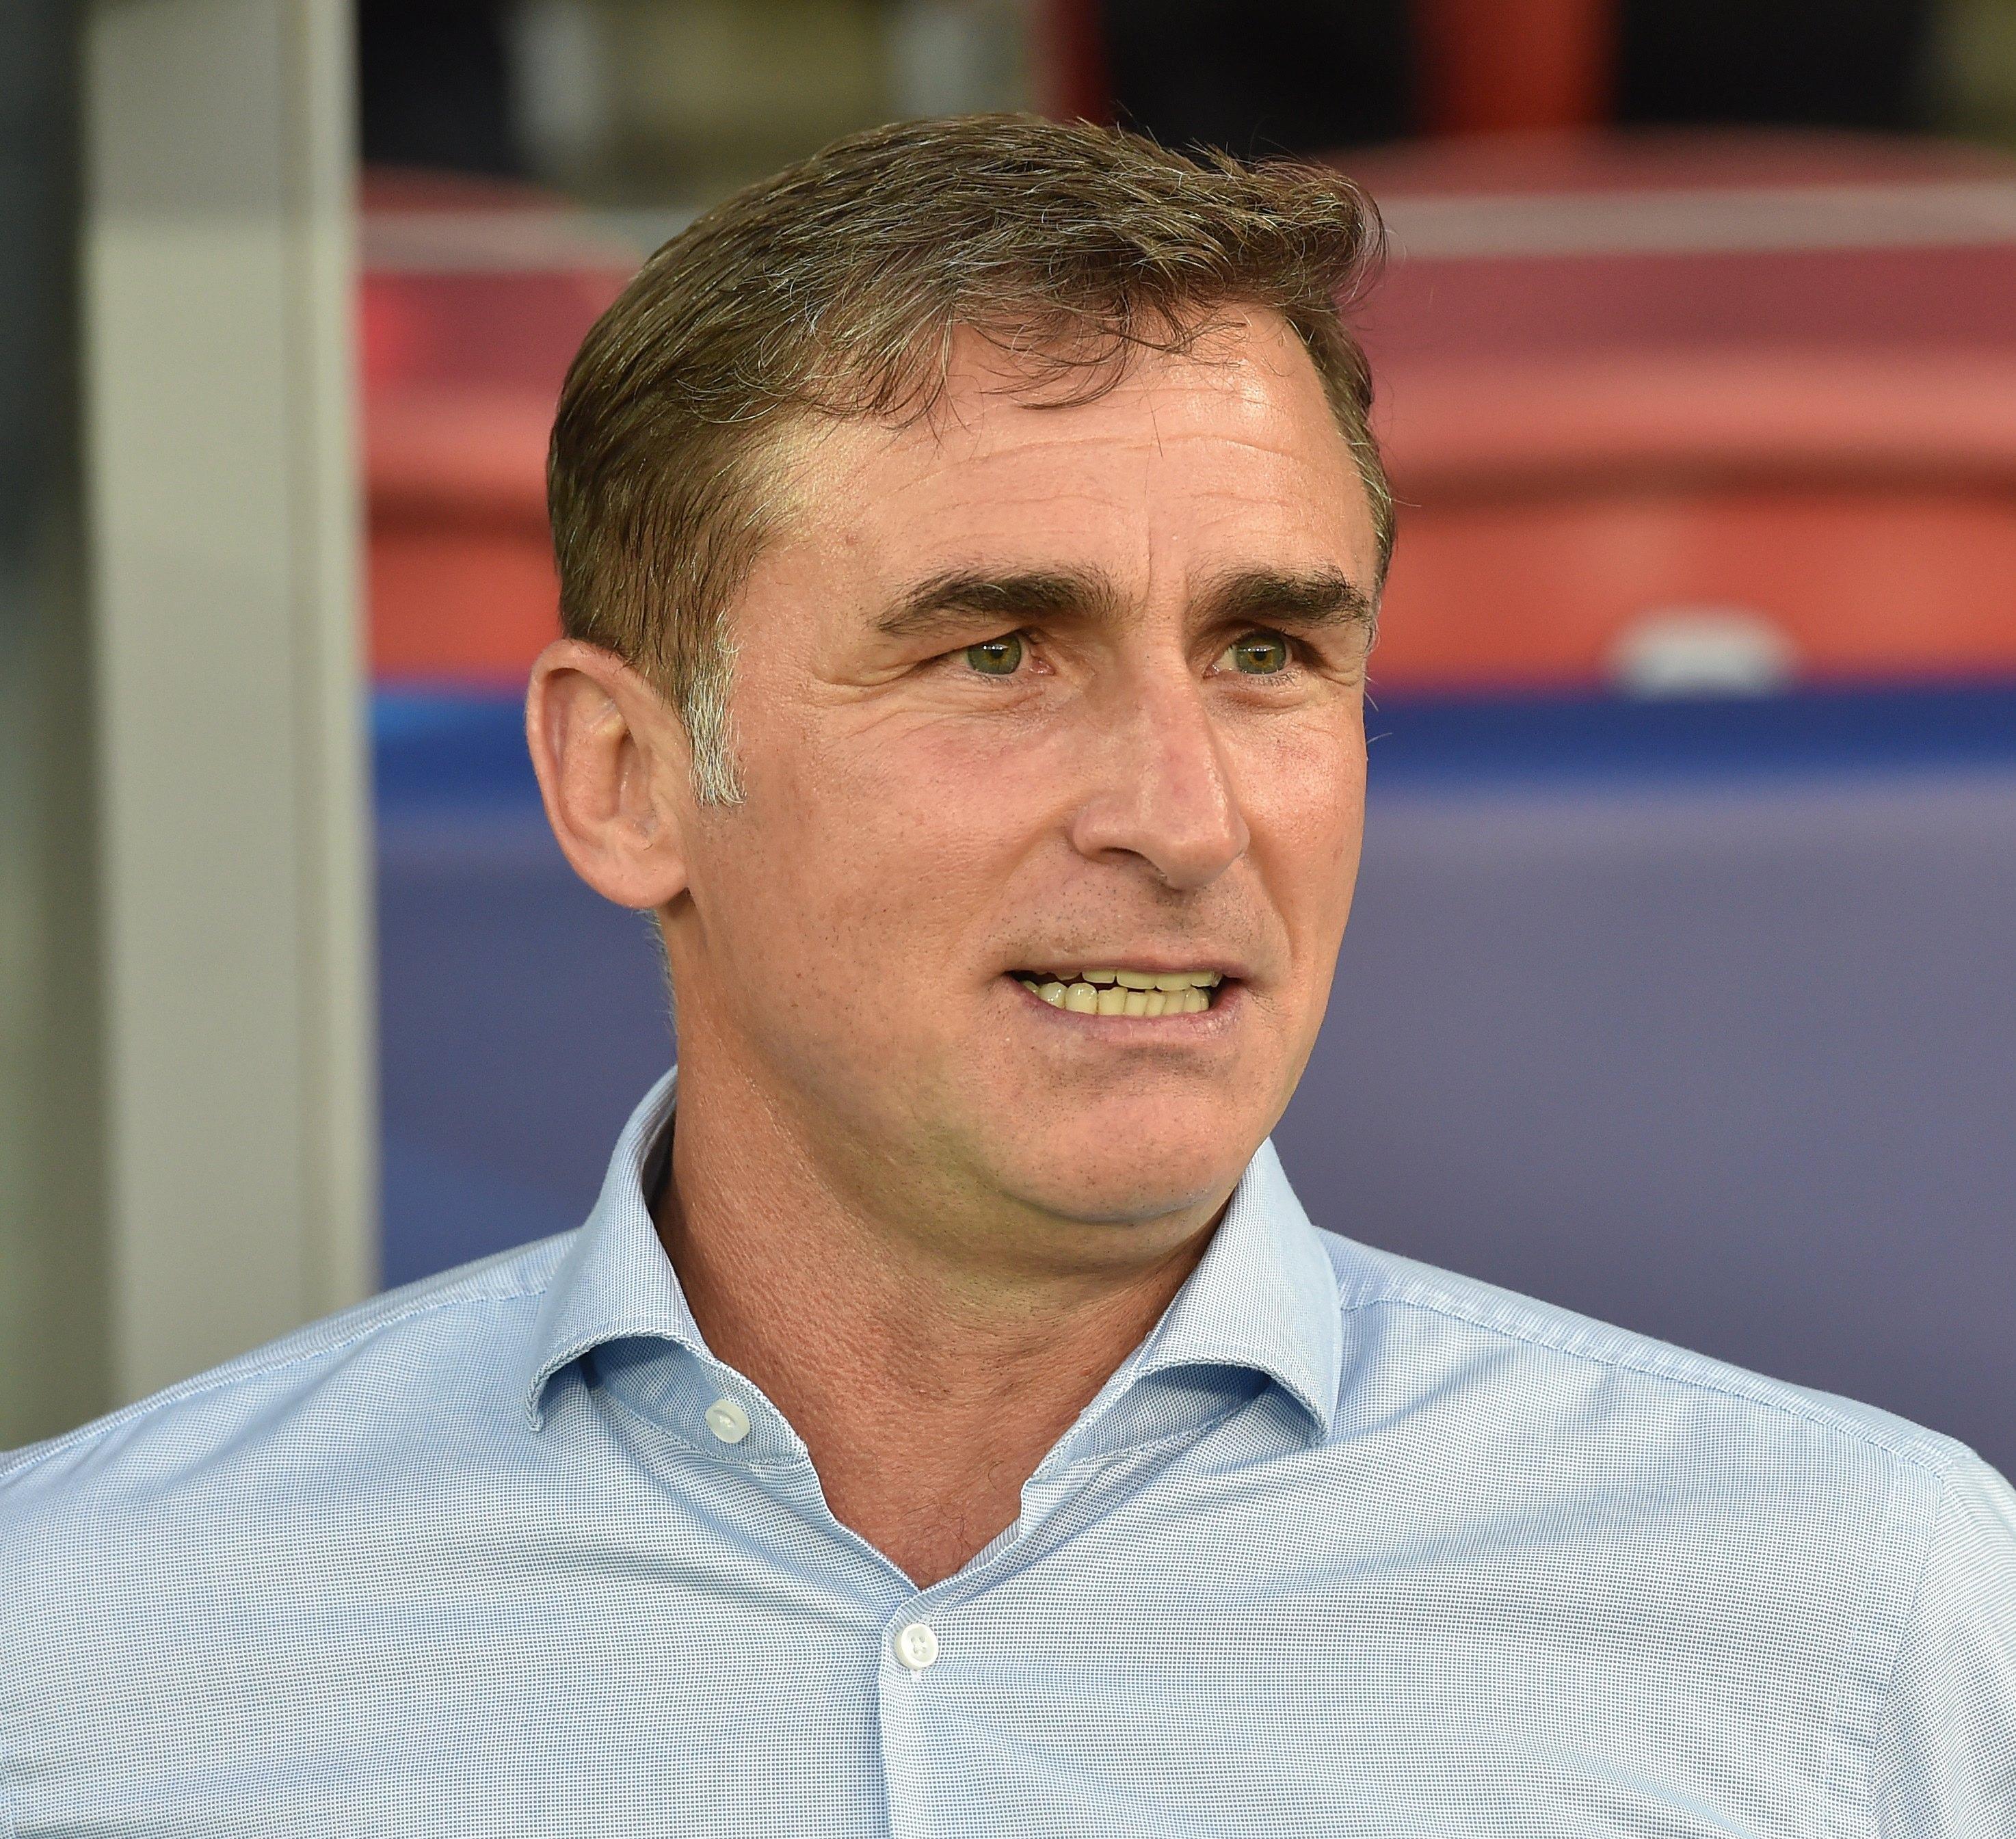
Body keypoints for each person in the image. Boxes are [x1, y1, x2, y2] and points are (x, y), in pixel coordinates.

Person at [3, 114, 2011, 1836]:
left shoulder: (1860, 1615)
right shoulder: (78, 1644)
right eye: (995, 656)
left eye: (1267, 654)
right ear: (623, 779)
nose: (1185, 817)